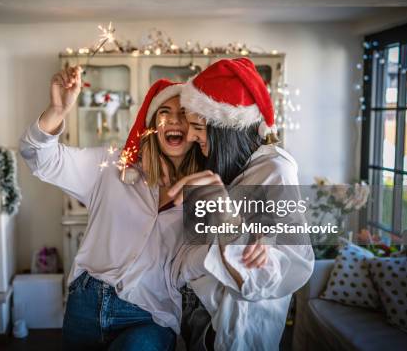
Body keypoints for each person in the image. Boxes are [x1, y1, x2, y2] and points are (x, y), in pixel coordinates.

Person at [19, 65, 202, 350]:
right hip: (85, 305)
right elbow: (40, 158)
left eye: (184, 114)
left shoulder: (207, 191)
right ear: (152, 124)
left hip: (150, 315)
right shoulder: (112, 167)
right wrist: (57, 110)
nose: (174, 120)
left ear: (196, 128)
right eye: (164, 112)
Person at [168, 58, 315, 351]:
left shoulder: (277, 170)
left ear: (229, 129)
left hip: (231, 325)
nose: (192, 136)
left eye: (199, 126)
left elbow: (287, 265)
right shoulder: (220, 165)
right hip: (193, 308)